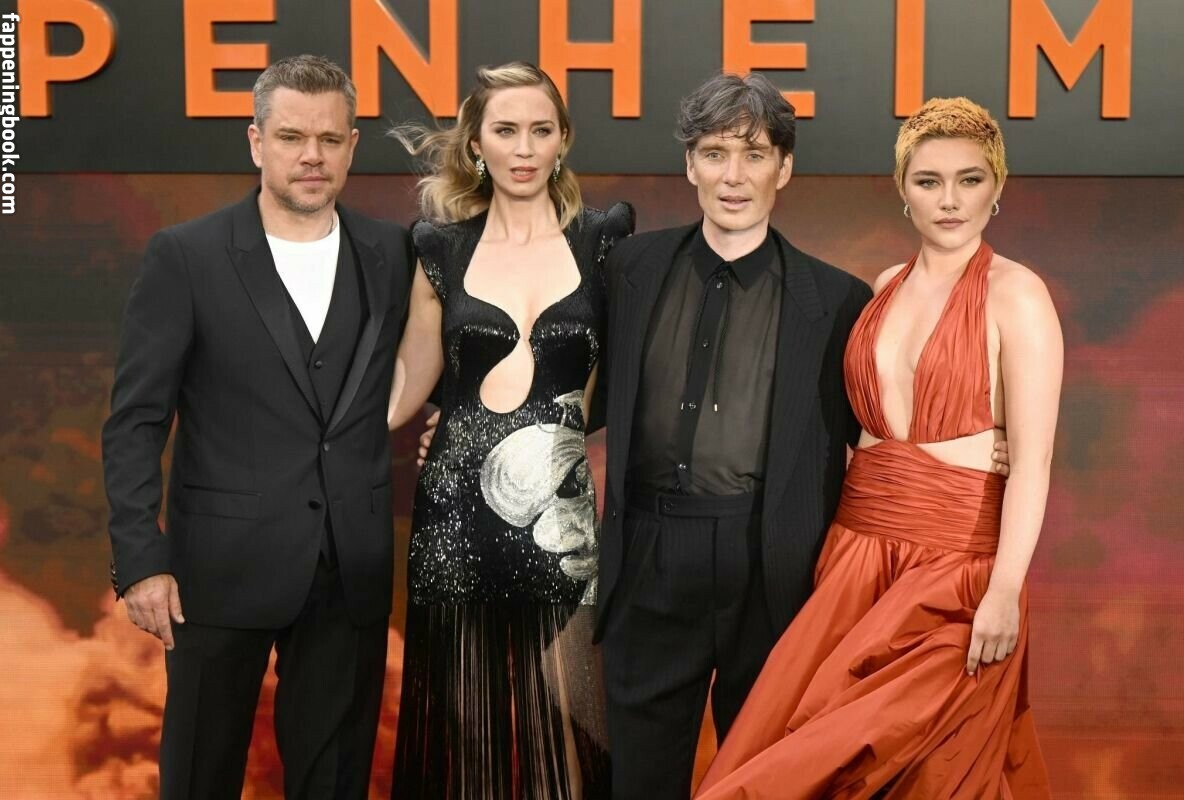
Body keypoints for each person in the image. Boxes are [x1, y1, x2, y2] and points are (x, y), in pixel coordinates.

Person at [695, 97, 1059, 798]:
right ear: (902, 191)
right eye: (928, 181)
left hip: (954, 576)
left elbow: (1033, 464)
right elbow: (859, 431)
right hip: (853, 562)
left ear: (997, 188)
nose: (949, 200)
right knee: (799, 756)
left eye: (970, 179)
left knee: (925, 766)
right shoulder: (885, 287)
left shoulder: (1019, 295)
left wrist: (1005, 591)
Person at [101, 55, 412, 800]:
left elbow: (416, 377)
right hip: (215, 572)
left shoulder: (393, 253)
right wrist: (140, 559)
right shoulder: (187, 255)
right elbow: (137, 419)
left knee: (335, 784)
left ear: (352, 146)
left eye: (329, 139)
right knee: (199, 777)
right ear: (256, 142)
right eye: (292, 137)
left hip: (350, 571)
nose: (312, 156)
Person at [591, 72, 872, 800]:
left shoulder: (838, 299)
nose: (734, 176)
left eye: (754, 154)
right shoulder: (629, 269)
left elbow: (877, 440)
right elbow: (573, 385)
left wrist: (967, 453)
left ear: (785, 167)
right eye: (715, 154)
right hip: (648, 554)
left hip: (772, 566)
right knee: (637, 781)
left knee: (762, 782)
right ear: (690, 165)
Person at [386, 62, 633, 798]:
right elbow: (404, 388)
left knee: (575, 731)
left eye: (540, 130)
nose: (523, 148)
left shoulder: (604, 240)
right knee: (466, 738)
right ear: (476, 145)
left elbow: (622, 380)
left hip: (561, 525)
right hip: (453, 520)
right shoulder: (438, 248)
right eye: (505, 131)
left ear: (563, 141)